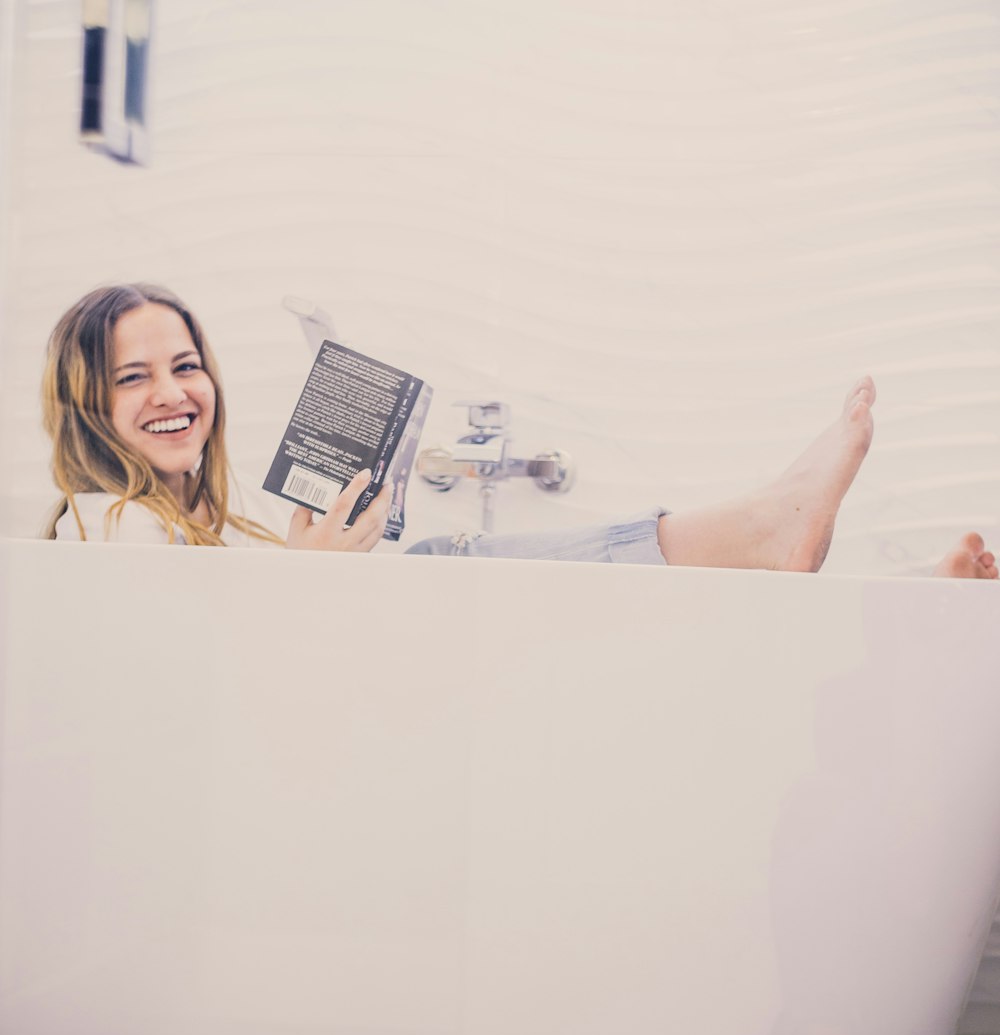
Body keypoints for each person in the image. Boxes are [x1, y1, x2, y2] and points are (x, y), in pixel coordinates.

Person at [42, 283, 998, 580]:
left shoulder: (193, 517)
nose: (173, 392)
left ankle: (835, 571)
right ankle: (765, 535)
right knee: (468, 559)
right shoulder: (106, 528)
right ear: (88, 401)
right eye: (133, 377)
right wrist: (314, 574)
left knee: (470, 556)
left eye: (185, 363)